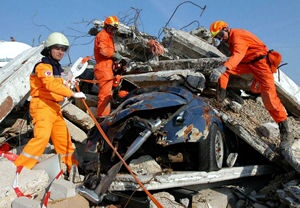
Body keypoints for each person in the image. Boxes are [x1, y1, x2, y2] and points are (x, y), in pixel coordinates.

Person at [209, 20, 293, 151]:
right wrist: (223, 69)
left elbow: (238, 55)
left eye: (220, 35)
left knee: (269, 99)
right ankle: (220, 98)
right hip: (249, 64)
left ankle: (286, 133)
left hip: (261, 65)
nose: (220, 38)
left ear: (226, 29)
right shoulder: (230, 40)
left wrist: (223, 68)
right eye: (217, 37)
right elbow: (238, 58)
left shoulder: (237, 36)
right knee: (225, 71)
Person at [14, 32, 86, 175]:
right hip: (42, 106)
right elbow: (50, 85)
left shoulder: (56, 68)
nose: (61, 52)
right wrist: (72, 93)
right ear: (49, 49)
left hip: (54, 108)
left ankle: (73, 168)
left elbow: (58, 85)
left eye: (63, 49)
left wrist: (69, 85)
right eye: (58, 48)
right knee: (42, 137)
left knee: (63, 139)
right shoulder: (43, 66)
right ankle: (19, 169)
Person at [94, 15, 122, 119]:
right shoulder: (103, 35)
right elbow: (104, 51)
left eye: (115, 29)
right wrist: (114, 55)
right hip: (103, 68)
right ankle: (102, 117)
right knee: (105, 94)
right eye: (112, 28)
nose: (113, 31)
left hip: (108, 67)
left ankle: (106, 115)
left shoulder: (109, 37)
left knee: (109, 93)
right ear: (106, 26)